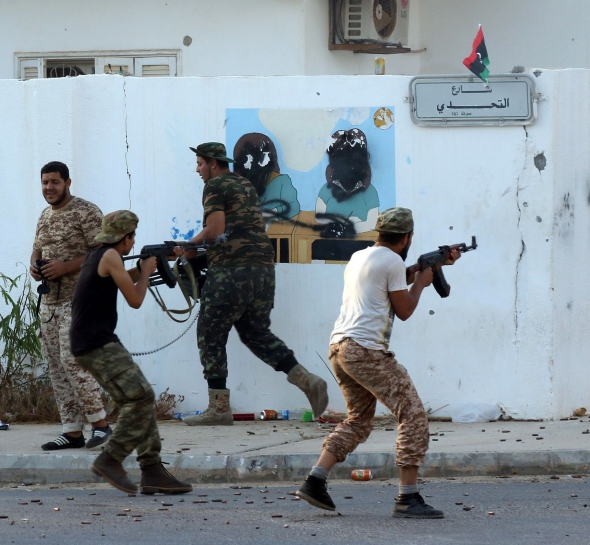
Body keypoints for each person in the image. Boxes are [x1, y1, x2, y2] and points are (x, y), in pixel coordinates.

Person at [296, 207, 460, 519]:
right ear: (408, 237)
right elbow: (405, 309)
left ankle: (315, 480)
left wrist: (425, 267)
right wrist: (422, 282)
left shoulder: (362, 256)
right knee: (412, 414)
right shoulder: (394, 262)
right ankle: (407, 497)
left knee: (358, 421)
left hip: (339, 348)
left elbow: (385, 279)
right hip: (366, 351)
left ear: (380, 233)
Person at [177, 142, 329, 426]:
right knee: (255, 333)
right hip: (262, 270)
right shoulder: (244, 184)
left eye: (199, 163)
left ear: (212, 163)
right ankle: (307, 380)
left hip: (232, 271)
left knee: (210, 334)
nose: (197, 169)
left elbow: (215, 230)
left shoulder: (215, 185)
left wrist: (187, 246)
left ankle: (219, 408)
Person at [71, 210, 193, 495]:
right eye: (133, 236)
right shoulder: (112, 255)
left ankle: (152, 470)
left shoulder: (101, 255)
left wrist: (151, 265)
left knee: (137, 400)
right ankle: (111, 459)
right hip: (97, 342)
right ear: (126, 238)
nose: (133, 241)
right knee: (141, 396)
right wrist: (148, 271)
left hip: (89, 342)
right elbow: (136, 299)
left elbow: (125, 278)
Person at [30, 161, 111, 451]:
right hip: (49, 304)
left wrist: (66, 267)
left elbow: (103, 252)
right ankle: (72, 431)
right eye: (44, 183)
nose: (49, 188)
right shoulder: (44, 215)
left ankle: (101, 425)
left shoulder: (86, 212)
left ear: (68, 182)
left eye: (54, 182)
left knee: (74, 362)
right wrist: (34, 266)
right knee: (57, 368)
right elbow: (37, 247)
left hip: (79, 302)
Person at [315, 128, 380, 234]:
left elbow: (372, 222)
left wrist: (350, 227)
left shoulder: (370, 192)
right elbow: (319, 217)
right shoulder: (326, 190)